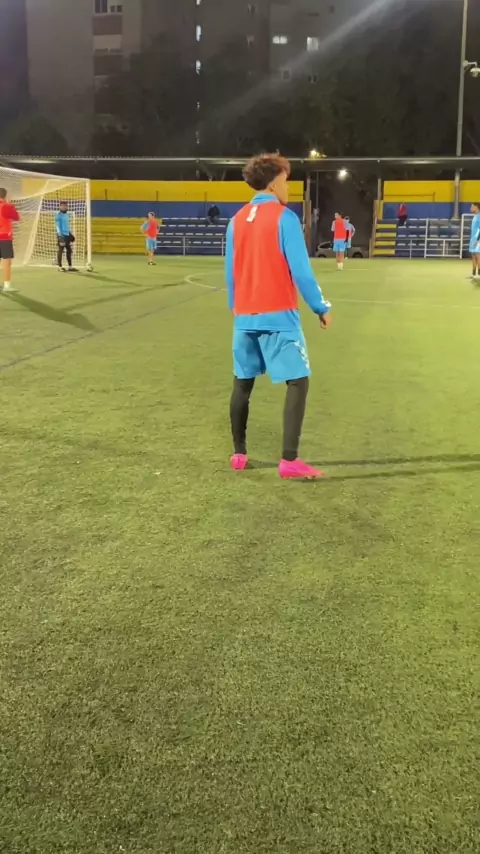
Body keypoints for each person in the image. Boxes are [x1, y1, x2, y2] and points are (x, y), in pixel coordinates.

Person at [226, 152, 332, 480]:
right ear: (273, 183)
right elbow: (301, 270)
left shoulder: (236, 220)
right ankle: (289, 460)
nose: (288, 187)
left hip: (244, 315)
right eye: (286, 181)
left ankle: (239, 454)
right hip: (279, 315)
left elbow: (230, 272)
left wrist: (237, 306)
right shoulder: (284, 218)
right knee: (298, 380)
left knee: (242, 382)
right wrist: (320, 307)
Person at [0, 187, 20, 293]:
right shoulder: (6, 206)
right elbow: (17, 217)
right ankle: (7, 285)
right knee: (7, 261)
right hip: (4, 237)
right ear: (5, 196)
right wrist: (10, 204)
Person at [55, 201, 77, 272]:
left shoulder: (66, 215)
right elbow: (58, 227)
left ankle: (70, 267)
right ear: (60, 207)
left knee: (69, 251)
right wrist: (60, 237)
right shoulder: (58, 215)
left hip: (67, 235)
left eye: (66, 206)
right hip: (62, 236)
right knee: (60, 250)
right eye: (63, 206)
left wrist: (70, 234)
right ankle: (60, 267)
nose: (65, 207)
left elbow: (66, 226)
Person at [469, 203, 480, 280]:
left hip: (477, 239)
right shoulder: (475, 216)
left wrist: (477, 239)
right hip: (473, 239)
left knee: (478, 256)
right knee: (473, 256)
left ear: (476, 207)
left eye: (472, 206)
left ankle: (479, 274)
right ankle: (474, 274)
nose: (471, 208)